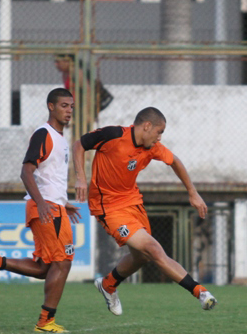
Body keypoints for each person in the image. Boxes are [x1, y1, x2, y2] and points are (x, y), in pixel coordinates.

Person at [72, 106, 216, 314]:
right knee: (154, 249)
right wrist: (80, 178)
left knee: (142, 256)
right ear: (147, 126)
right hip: (109, 208)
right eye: (159, 132)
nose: (159, 138)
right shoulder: (113, 135)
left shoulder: (152, 147)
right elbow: (79, 145)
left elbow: (175, 161)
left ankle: (108, 285)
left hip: (133, 203)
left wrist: (192, 193)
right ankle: (200, 292)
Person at [0, 88, 81, 333]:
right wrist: (42, 202)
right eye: (64, 106)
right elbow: (26, 171)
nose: (69, 110)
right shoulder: (43, 134)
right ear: (51, 106)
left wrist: (61, 200)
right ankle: (45, 322)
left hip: (53, 204)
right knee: (63, 263)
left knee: (45, 268)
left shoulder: (60, 138)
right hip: (46, 207)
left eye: (71, 106)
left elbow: (50, 175)